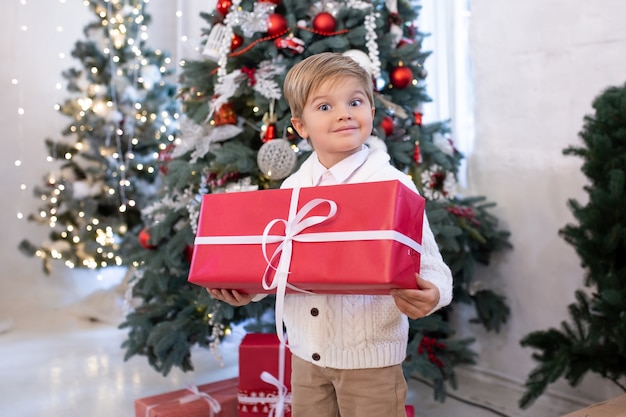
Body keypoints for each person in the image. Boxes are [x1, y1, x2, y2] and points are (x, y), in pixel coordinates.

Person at [208, 52, 453, 417]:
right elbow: (278, 262)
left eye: (355, 102)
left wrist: (432, 294)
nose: (344, 113)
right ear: (301, 126)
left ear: (371, 109)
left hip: (370, 361)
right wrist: (247, 289)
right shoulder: (291, 189)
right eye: (325, 106)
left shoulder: (392, 185)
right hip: (305, 356)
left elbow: (433, 267)